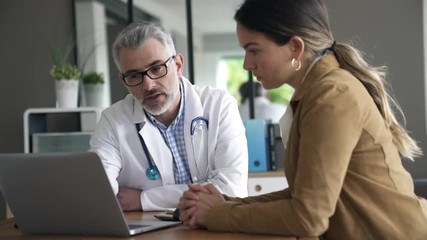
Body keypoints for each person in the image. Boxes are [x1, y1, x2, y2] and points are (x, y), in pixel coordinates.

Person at [178, 0, 427, 239]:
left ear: (295, 48)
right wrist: (225, 205)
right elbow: (301, 197)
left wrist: (218, 213)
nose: (246, 64)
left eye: (253, 50)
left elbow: (309, 216)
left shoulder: (332, 95)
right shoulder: (315, 92)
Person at [89, 21, 248, 212]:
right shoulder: (112, 121)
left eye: (156, 68)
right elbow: (99, 190)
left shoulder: (219, 105)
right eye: (134, 76)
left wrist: (144, 200)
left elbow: (232, 190)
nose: (148, 85)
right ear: (124, 81)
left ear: (178, 65)